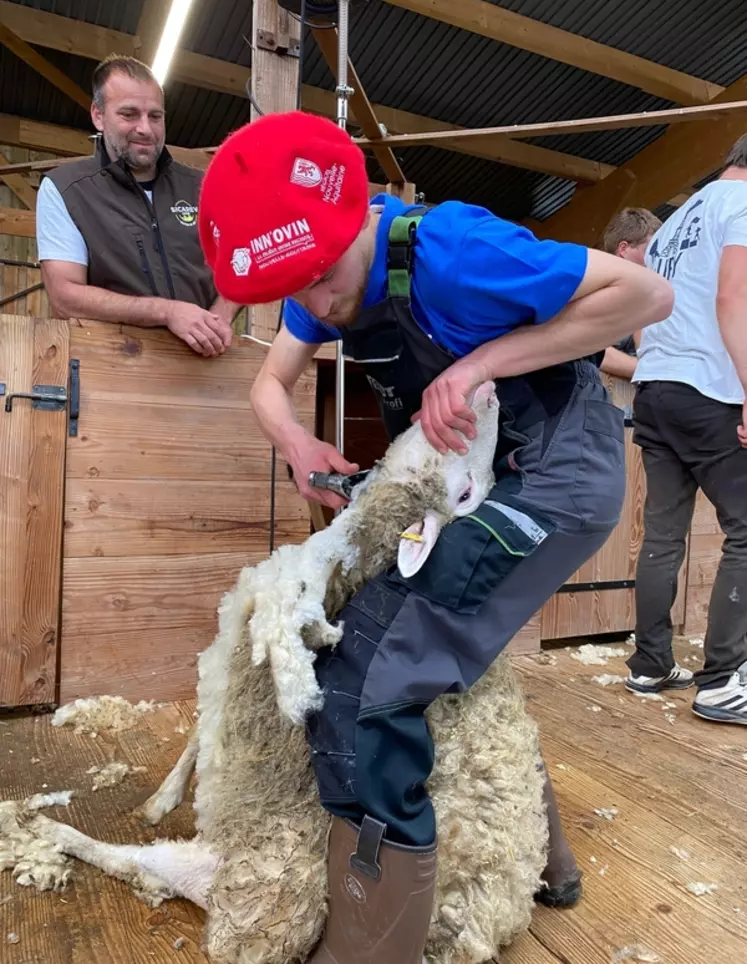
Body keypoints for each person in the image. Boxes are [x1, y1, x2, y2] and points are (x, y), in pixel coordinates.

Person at [197, 111, 673, 962]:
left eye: (316, 279)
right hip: (466, 487)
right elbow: (270, 383)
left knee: (368, 679)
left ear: (352, 222)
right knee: (451, 665)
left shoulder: (451, 248)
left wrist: (478, 363)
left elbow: (644, 296)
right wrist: (297, 443)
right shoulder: (326, 278)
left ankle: (368, 949)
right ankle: (544, 866)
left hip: (554, 476)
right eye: (290, 290)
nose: (311, 306)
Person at [625, 135, 747, 722]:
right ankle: (722, 680)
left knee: (664, 536)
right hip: (705, 388)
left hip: (656, 386)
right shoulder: (742, 206)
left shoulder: (676, 221)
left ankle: (650, 663)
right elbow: (732, 297)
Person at [36, 54, 234, 358]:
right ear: (98, 116)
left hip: (207, 365)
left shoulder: (205, 186)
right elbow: (66, 296)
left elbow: (243, 260)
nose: (145, 128)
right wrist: (167, 312)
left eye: (155, 116)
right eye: (129, 114)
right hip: (109, 368)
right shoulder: (66, 190)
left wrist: (218, 319)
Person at [599, 207, 663, 380]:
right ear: (623, 249)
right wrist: (655, 372)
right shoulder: (595, 290)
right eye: (650, 252)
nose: (656, 259)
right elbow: (588, 348)